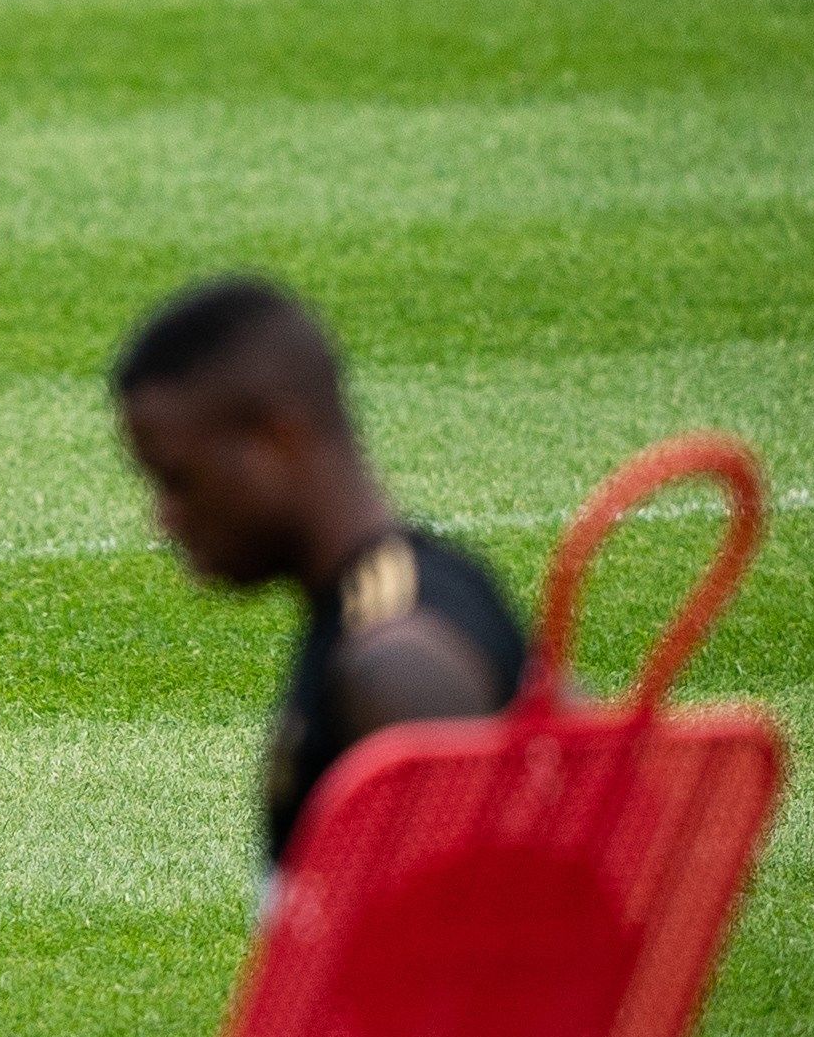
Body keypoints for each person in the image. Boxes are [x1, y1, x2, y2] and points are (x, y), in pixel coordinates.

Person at [111, 276, 525, 875]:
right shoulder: (442, 580)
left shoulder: (391, 666)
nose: (166, 520)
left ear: (276, 441)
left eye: (179, 480)